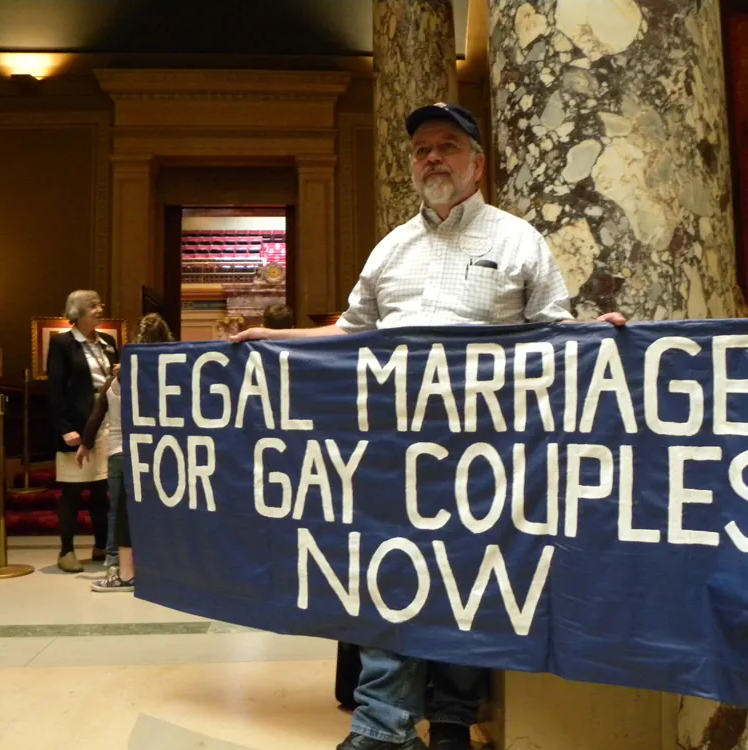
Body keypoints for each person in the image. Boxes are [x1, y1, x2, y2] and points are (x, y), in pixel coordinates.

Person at [232, 102, 625, 750]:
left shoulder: (517, 240)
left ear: (477, 163)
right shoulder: (391, 249)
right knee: (386, 573)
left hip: (485, 450)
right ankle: (382, 726)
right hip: (392, 449)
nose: (433, 158)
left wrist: (594, 334)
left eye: (447, 145)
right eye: (421, 150)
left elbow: (553, 331)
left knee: (470, 577)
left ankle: (451, 720)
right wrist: (274, 339)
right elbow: (350, 333)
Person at [78, 313, 176, 592]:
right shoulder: (168, 375)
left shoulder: (119, 377)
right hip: (156, 452)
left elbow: (98, 413)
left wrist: (85, 443)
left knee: (120, 512)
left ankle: (117, 564)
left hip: (121, 451)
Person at [47, 290, 119, 573]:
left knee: (102, 489)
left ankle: (101, 544)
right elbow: (55, 391)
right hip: (77, 426)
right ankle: (66, 551)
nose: (100, 309)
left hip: (107, 423)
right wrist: (65, 429)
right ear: (77, 312)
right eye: (93, 306)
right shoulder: (62, 343)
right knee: (73, 491)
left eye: (100, 304)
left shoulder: (108, 342)